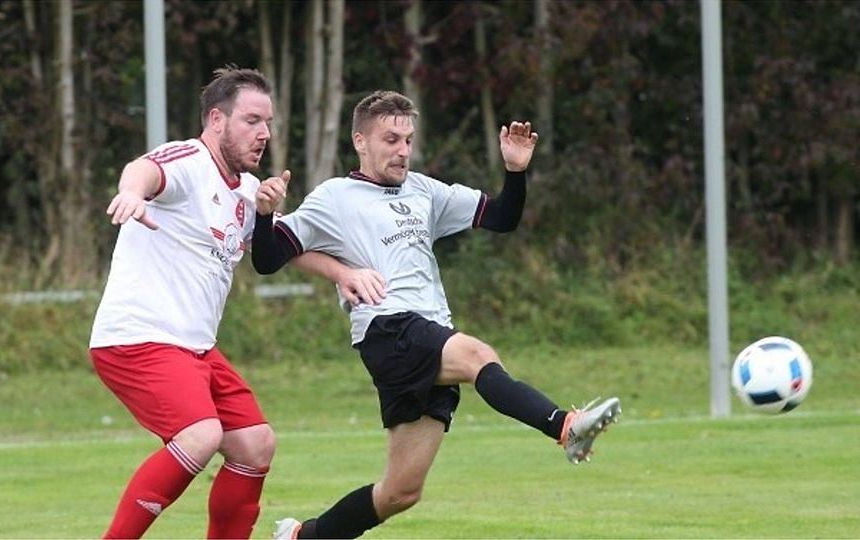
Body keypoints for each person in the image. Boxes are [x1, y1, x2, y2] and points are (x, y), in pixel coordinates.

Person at [251, 90, 622, 539]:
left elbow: (502, 217)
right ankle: (565, 426)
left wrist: (515, 171)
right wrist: (265, 216)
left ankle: (301, 536)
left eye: (408, 140)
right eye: (391, 139)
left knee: (400, 492)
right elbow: (268, 258)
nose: (403, 150)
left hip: (425, 333)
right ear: (360, 141)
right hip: (388, 328)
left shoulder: (424, 190)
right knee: (477, 355)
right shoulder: (335, 197)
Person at [88, 67, 382, 540]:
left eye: (268, 123)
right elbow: (144, 169)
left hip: (194, 348)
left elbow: (283, 245)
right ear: (216, 120)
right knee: (200, 435)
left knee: (254, 445)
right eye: (252, 120)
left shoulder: (247, 192)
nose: (264, 133)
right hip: (139, 337)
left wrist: (344, 273)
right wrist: (130, 193)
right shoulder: (190, 161)